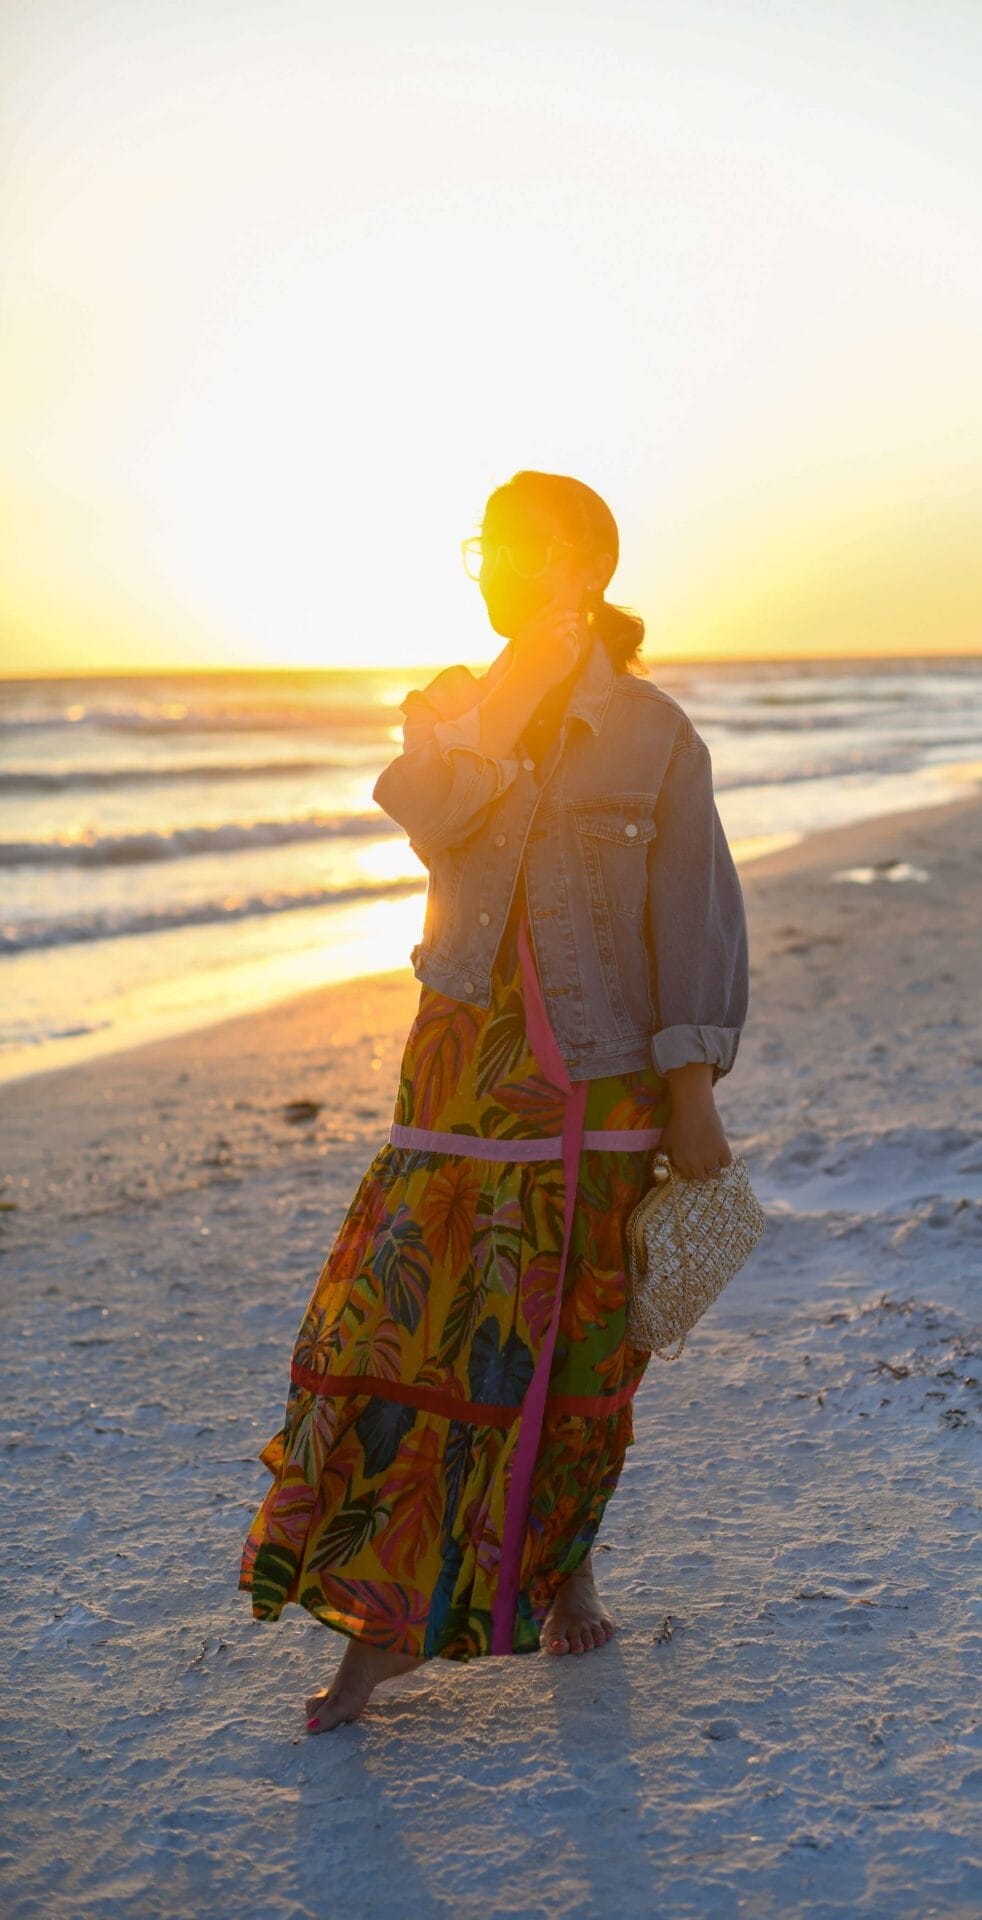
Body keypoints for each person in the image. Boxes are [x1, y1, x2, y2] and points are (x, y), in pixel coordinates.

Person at [238, 468, 749, 1733]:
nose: (497, 572)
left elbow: (687, 923)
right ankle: (380, 1623)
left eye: (521, 550)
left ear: (585, 561)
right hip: (462, 1069)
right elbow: (428, 813)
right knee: (403, 1334)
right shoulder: (455, 713)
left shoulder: (653, 734)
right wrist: (499, 696)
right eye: (484, 552)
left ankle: (564, 1557)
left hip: (608, 1077)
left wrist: (693, 1095)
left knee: (582, 1355)